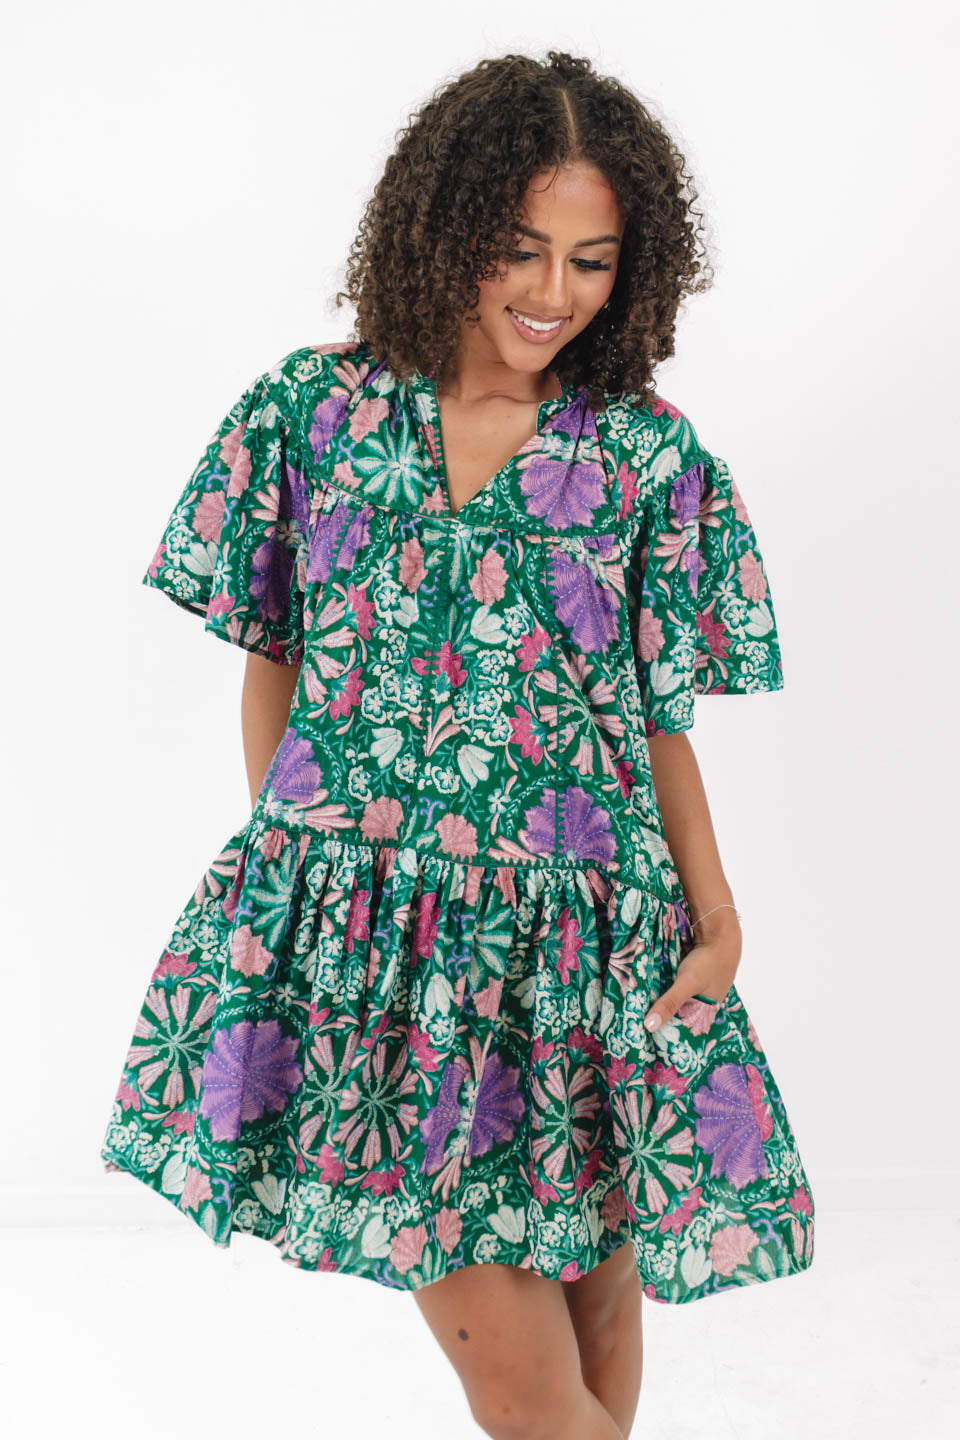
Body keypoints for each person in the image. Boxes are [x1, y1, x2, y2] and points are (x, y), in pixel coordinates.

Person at [101, 49, 815, 1440]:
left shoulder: (646, 459)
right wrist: (301, 887)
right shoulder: (311, 413)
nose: (554, 292)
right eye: (519, 248)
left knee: (599, 1326)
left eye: (592, 261)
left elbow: (655, 723)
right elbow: (276, 654)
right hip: (384, 940)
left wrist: (719, 918)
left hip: (591, 940)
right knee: (525, 1391)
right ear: (445, 229)